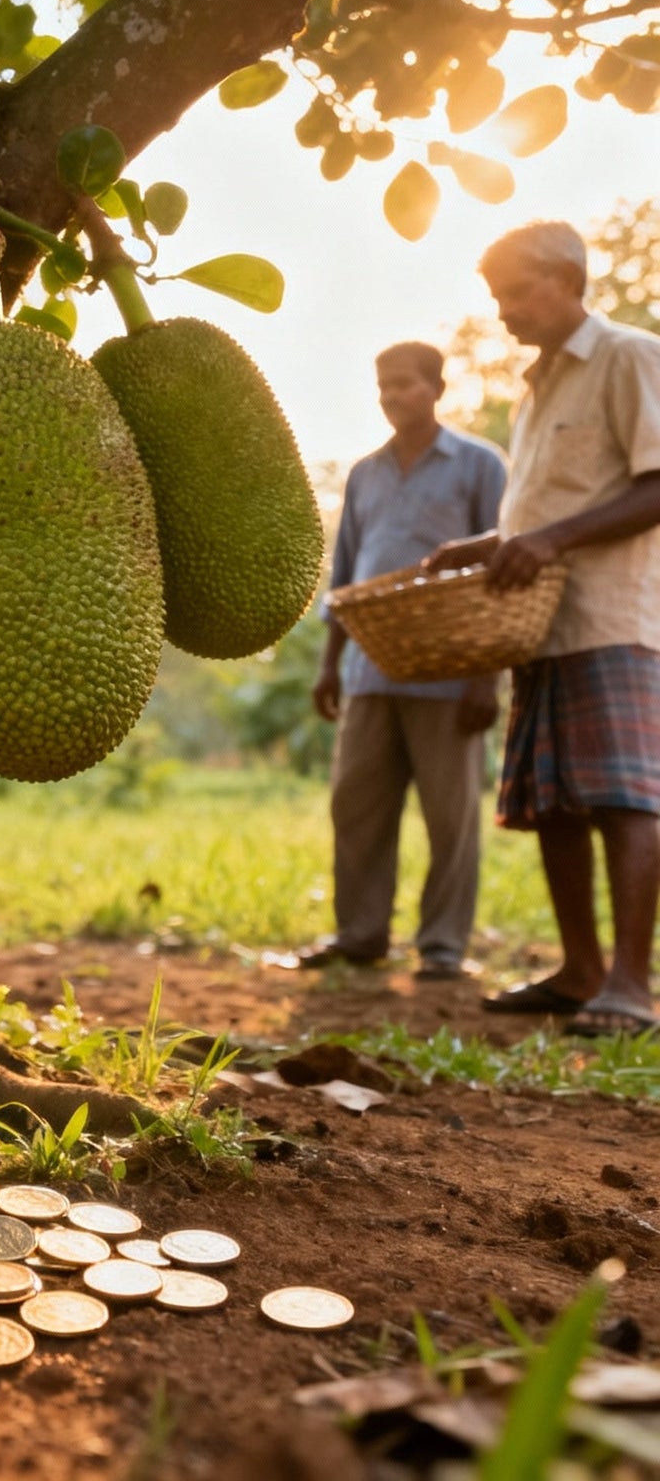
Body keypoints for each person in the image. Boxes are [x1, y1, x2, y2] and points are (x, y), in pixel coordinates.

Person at [427, 221, 660, 1036]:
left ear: (568, 279)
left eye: (518, 292)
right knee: (556, 801)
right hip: (540, 624)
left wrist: (549, 540)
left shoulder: (628, 357)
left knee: (625, 797)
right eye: (496, 298)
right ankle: (580, 969)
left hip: (611, 615)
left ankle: (631, 983)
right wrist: (485, 544)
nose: (505, 311)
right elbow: (547, 511)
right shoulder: (536, 388)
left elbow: (655, 484)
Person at [300, 343, 508, 978]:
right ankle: (359, 935)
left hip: (451, 674)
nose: (391, 397)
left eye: (404, 386)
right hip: (368, 669)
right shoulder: (365, 473)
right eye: (383, 387)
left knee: (451, 820)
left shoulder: (478, 465)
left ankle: (443, 947)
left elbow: (501, 574)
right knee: (357, 806)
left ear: (437, 388)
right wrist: (330, 663)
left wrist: (484, 677)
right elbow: (346, 576)